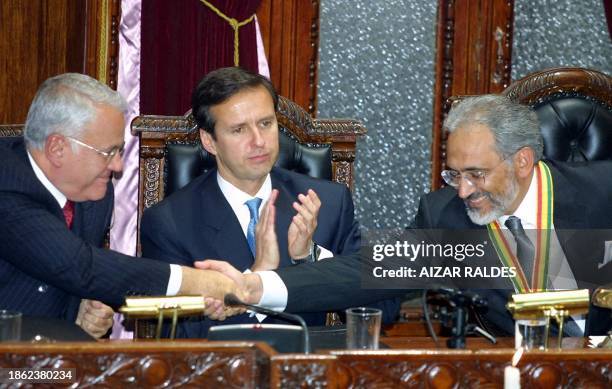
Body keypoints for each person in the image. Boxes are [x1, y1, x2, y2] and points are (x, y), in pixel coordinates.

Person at [199, 94, 612, 336]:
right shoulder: (445, 216)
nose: (463, 190)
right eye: (454, 174)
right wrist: (255, 287)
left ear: (523, 161)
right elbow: (366, 271)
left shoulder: (602, 193)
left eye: (477, 174)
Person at [140, 67, 398, 337]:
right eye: (239, 130)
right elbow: (177, 337)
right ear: (209, 141)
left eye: (266, 123)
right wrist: (256, 275)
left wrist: (312, 255)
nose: (259, 141)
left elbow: (383, 306)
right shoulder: (168, 223)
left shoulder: (327, 203)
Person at [0, 73, 240, 338]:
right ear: (57, 147)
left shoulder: (96, 192)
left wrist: (77, 316)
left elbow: (66, 279)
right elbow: (78, 266)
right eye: (108, 152)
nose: (118, 166)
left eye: (120, 151)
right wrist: (195, 282)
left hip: (45, 365)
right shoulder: (5, 181)